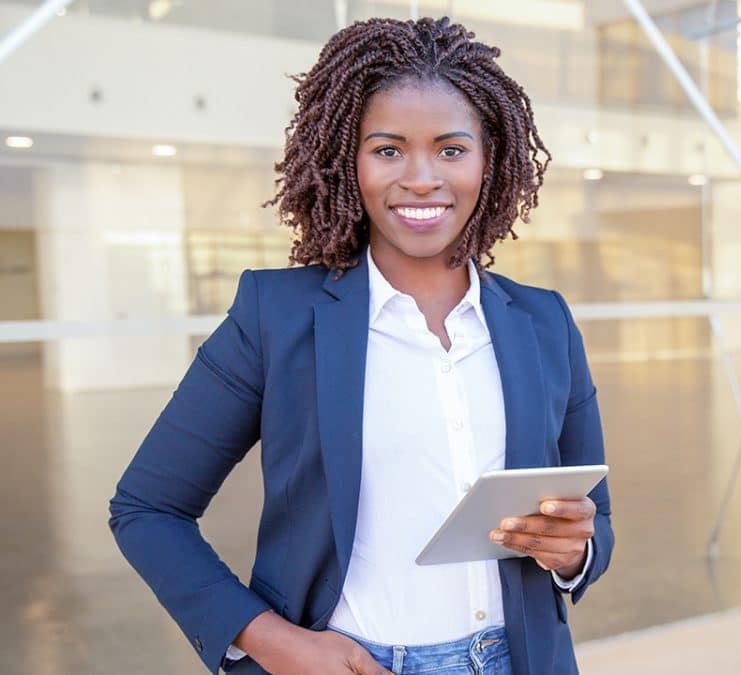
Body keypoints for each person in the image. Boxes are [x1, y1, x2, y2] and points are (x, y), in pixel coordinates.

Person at [107, 15, 613, 675]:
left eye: (452, 149)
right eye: (388, 149)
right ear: (349, 160)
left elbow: (595, 525)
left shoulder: (543, 323)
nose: (422, 177)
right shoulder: (277, 316)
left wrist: (573, 549)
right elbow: (148, 508)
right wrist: (275, 642)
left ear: (489, 161)